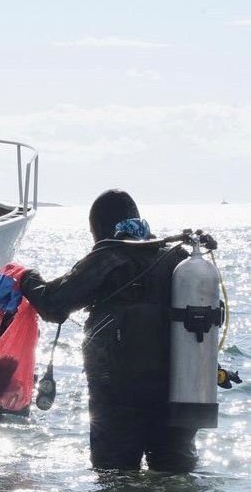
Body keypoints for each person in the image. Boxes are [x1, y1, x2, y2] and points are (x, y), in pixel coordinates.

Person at [19, 189, 197, 472]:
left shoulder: (109, 257)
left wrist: (26, 278)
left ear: (99, 227)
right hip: (179, 390)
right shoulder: (177, 258)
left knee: (114, 477)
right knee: (172, 476)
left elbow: (53, 305)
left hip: (119, 393)